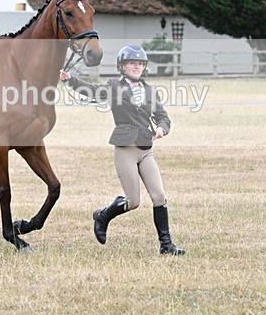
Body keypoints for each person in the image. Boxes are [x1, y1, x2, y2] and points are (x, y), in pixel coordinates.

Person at [59, 44, 185, 255]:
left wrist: (163, 128)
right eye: (131, 63)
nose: (136, 67)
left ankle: (166, 245)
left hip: (145, 148)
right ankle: (104, 215)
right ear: (122, 66)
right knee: (133, 202)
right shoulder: (114, 86)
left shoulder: (150, 91)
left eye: (140, 63)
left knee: (159, 196)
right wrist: (71, 80)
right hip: (125, 149)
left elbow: (163, 116)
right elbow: (93, 91)